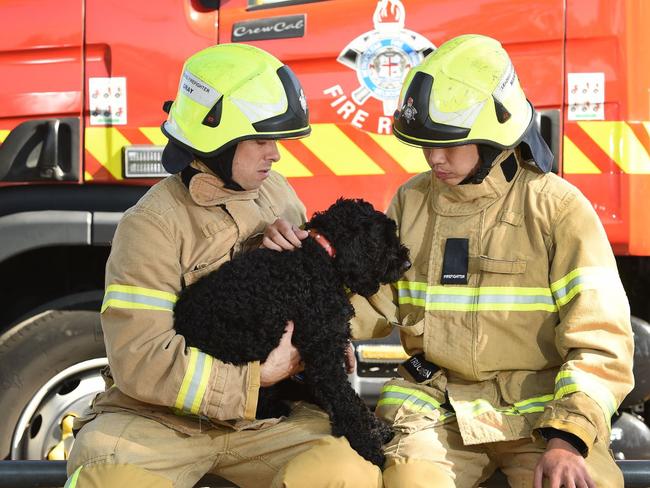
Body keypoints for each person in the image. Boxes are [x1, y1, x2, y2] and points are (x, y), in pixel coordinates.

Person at [264, 34, 634, 488]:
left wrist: (569, 440)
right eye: (425, 144)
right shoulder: (412, 200)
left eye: (450, 144)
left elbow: (602, 344)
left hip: (544, 417)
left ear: (497, 135)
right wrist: (301, 321)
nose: (434, 159)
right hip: (432, 409)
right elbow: (370, 302)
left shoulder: (557, 208)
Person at [64, 43, 382, 488]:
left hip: (266, 421)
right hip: (160, 423)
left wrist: (325, 341)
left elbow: (316, 294)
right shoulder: (150, 225)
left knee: (348, 472)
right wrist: (260, 375)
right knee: (109, 476)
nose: (274, 154)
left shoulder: (278, 194)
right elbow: (141, 359)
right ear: (216, 138)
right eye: (260, 140)